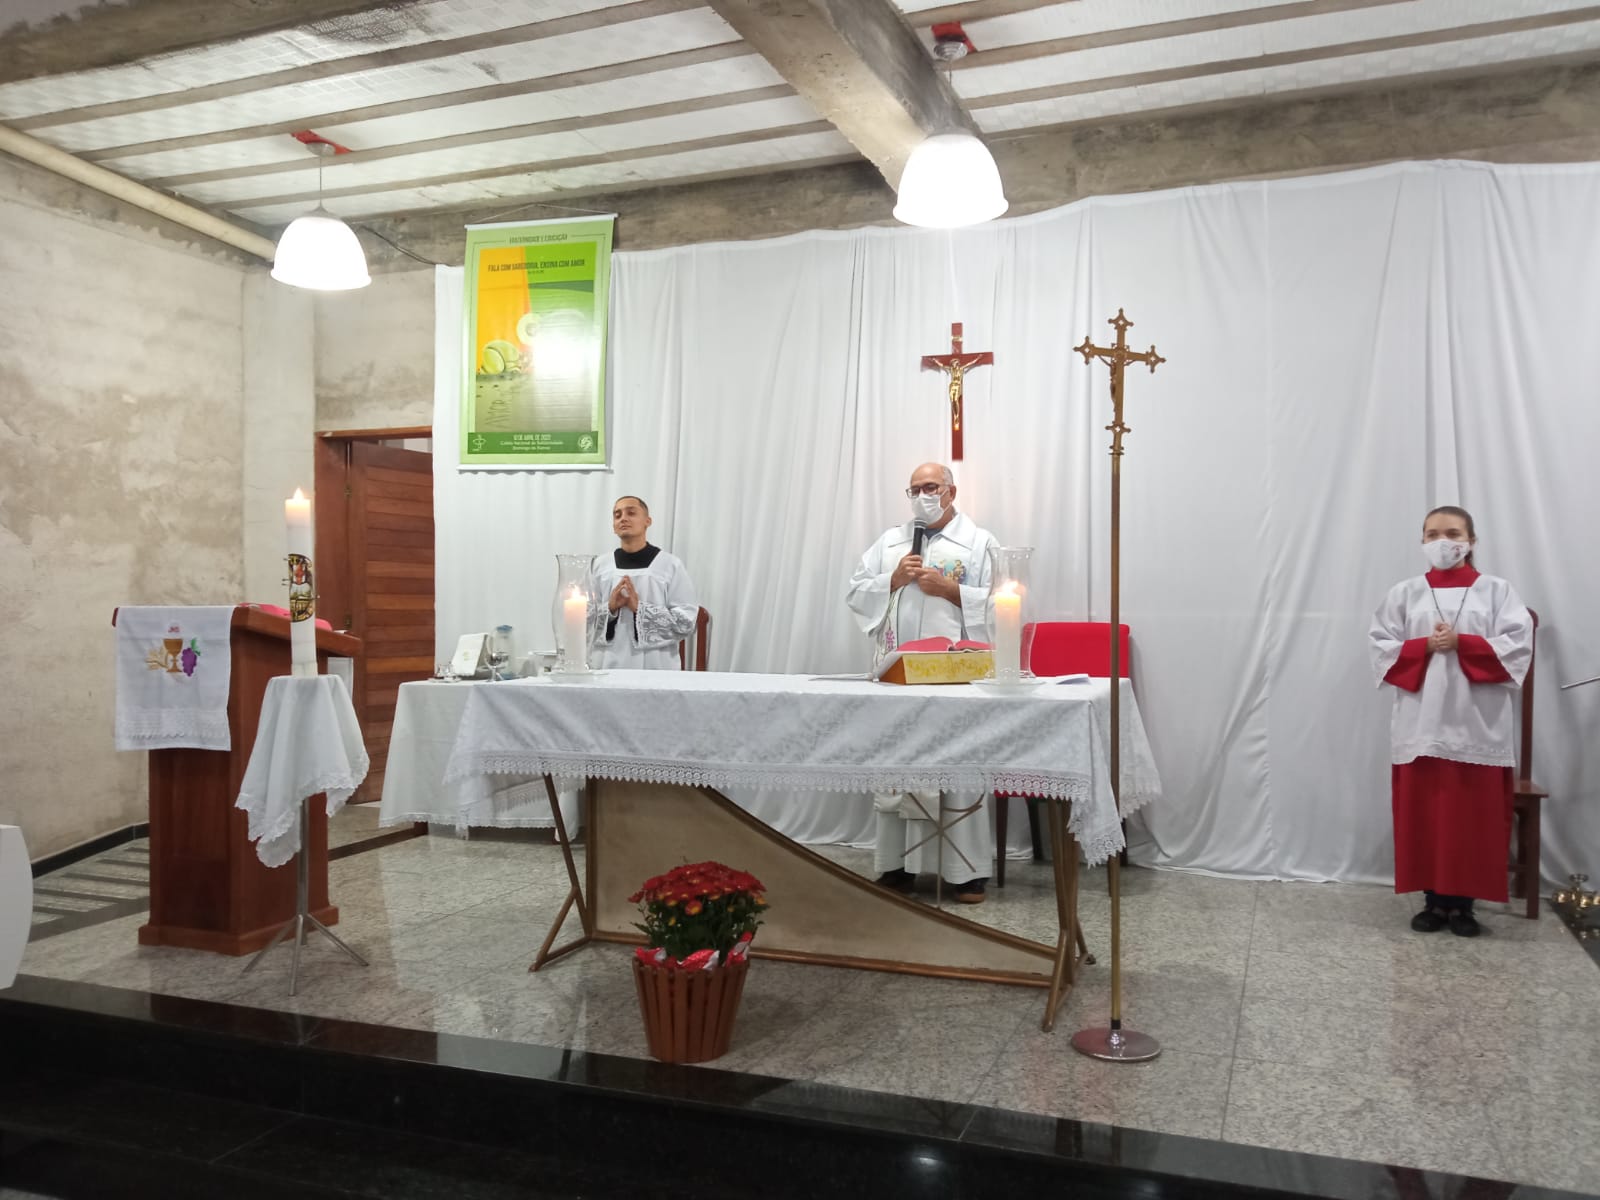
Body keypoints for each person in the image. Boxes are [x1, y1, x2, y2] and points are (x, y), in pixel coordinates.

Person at [1369, 505, 1533, 937]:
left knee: (1471, 819)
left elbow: (1518, 647)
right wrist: (1423, 645)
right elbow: (1381, 646)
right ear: (1422, 540)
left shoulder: (1496, 591)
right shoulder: (1405, 593)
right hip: (1422, 722)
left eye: (1453, 533)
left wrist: (1463, 642)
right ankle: (1433, 902)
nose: (1442, 541)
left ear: (1471, 541)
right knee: (1426, 815)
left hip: (1477, 722)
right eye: (1433, 534)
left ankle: (1464, 906)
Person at [846, 462, 1000, 903]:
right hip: (899, 672)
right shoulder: (890, 542)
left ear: (951, 491)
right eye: (914, 489)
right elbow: (856, 593)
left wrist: (951, 591)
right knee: (898, 764)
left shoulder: (979, 542)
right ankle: (896, 867)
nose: (922, 496)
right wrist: (893, 579)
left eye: (930, 487)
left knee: (958, 763)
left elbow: (1004, 602)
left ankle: (965, 873)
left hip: (954, 674)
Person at [590, 495, 699, 670]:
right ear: (613, 526)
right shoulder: (600, 566)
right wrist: (610, 608)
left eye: (631, 513)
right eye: (617, 515)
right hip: (607, 663)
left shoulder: (669, 565)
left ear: (648, 521)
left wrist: (640, 610)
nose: (623, 518)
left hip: (656, 664)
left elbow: (686, 621)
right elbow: (584, 619)